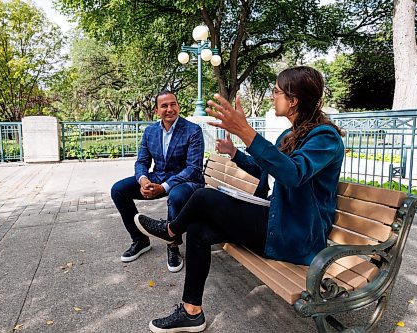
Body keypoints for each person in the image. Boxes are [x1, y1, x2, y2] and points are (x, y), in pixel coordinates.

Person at [133, 66, 345, 332]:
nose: (272, 96)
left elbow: (293, 174)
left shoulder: (325, 137)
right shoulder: (290, 135)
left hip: (298, 233)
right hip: (278, 221)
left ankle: (171, 230)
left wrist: (246, 132)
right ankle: (191, 312)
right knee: (198, 230)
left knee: (204, 197)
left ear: (293, 100)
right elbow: (267, 170)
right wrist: (236, 153)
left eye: (276, 91)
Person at [110, 90, 205, 273]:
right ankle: (140, 240)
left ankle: (173, 246)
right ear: (156, 110)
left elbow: (193, 168)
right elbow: (142, 161)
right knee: (118, 190)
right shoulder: (150, 131)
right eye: (164, 106)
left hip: (188, 181)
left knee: (176, 195)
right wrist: (144, 179)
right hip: (158, 176)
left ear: (178, 106)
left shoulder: (193, 130)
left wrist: (164, 187)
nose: (170, 109)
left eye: (173, 104)